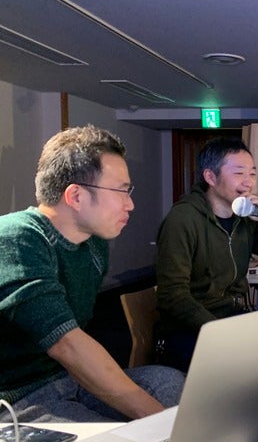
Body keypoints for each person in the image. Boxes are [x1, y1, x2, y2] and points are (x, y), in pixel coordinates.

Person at [0, 125, 184, 423]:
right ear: (76, 196)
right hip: (17, 397)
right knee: (114, 440)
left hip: (67, 379)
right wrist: (160, 424)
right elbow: (67, 345)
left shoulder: (93, 244)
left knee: (169, 382)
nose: (130, 204)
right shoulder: (16, 238)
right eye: (122, 191)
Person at [155, 137, 258, 371]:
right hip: (192, 330)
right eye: (239, 173)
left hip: (233, 319)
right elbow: (172, 296)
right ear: (210, 177)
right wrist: (220, 333)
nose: (248, 182)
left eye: (252, 174)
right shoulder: (182, 220)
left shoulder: (244, 218)